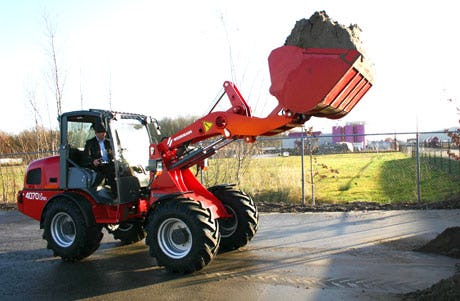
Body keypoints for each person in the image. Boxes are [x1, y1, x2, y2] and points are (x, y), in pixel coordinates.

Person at [84, 123, 117, 196]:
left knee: (123, 169)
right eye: (101, 133)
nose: (103, 135)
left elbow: (114, 153)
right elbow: (86, 156)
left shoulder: (109, 142)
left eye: (104, 133)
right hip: (97, 165)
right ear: (96, 133)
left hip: (109, 163)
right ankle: (116, 195)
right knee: (110, 172)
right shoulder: (90, 143)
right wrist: (93, 161)